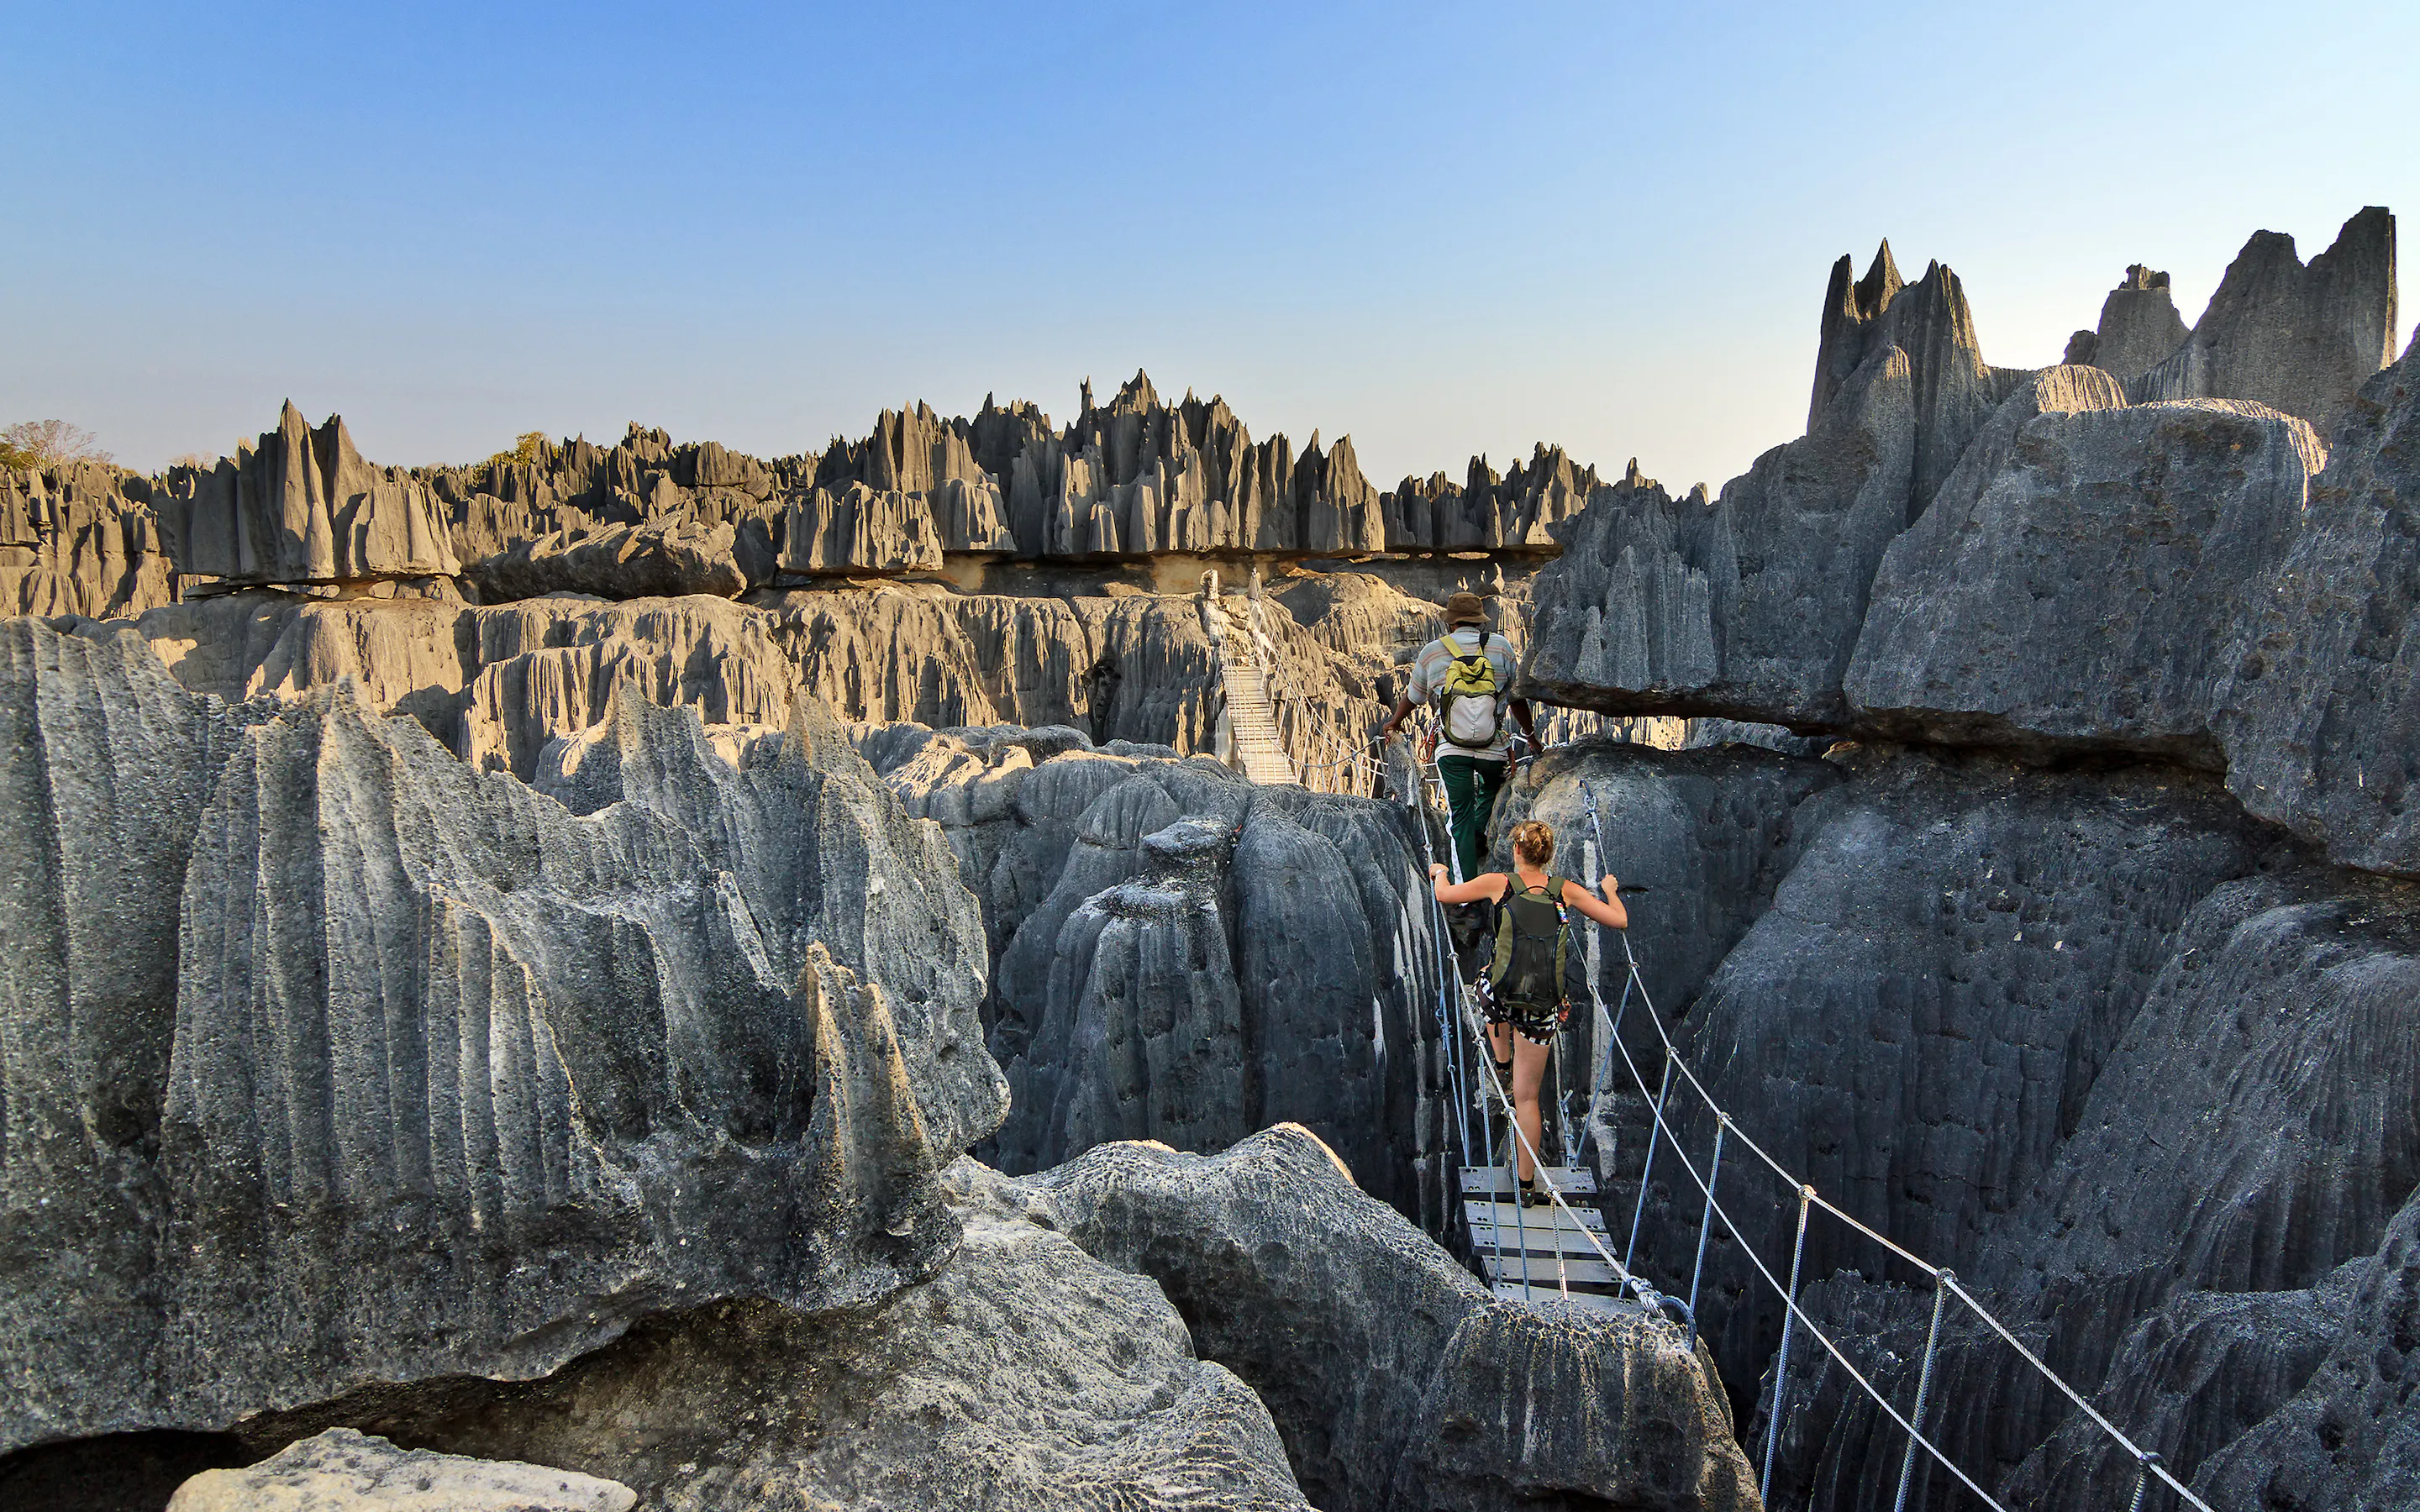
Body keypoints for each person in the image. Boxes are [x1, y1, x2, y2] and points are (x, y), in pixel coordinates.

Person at [1430, 820, 1626, 1205]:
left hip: (1503, 996)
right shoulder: (1565, 891)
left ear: (1517, 852)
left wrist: (1441, 872)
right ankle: (1526, 1184)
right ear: (1548, 856)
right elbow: (1619, 920)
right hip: (1542, 1009)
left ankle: (1501, 1061)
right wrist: (1609, 891)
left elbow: (1446, 896)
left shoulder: (1497, 883)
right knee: (1528, 1100)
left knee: (1485, 984)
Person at [1379, 591, 1533, 883]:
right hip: (1493, 747)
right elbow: (1517, 698)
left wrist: (1394, 723)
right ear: (1480, 623)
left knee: (1458, 818)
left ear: (1451, 623)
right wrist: (1532, 737)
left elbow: (1413, 698)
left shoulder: (1432, 652)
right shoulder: (1501, 647)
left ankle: (1467, 898)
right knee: (1492, 787)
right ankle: (1479, 832)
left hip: (1452, 750)